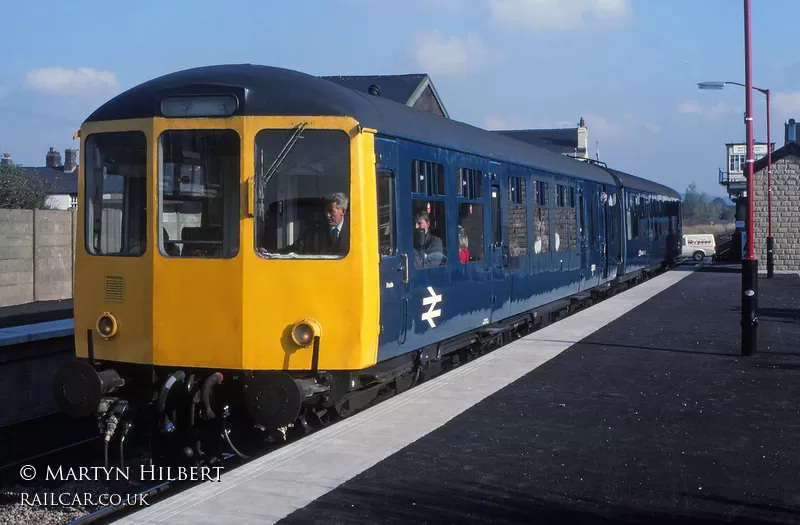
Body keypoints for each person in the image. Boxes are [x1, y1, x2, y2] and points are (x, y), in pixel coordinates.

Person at [280, 192, 349, 256]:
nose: (327, 215)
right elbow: (294, 249)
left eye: (331, 211)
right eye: (325, 211)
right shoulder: (313, 232)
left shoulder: (354, 232)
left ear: (343, 211)